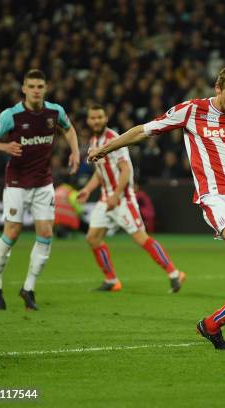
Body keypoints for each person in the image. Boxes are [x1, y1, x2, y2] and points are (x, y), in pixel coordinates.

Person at [88, 66, 225, 351]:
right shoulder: (191, 111)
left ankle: (211, 325)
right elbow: (144, 131)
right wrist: (107, 147)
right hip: (215, 197)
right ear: (217, 89)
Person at [0, 69, 80, 311]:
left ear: (45, 88)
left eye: (40, 86)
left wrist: (75, 151)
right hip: (16, 182)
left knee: (46, 234)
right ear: (24, 89)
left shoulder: (55, 112)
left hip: (43, 183)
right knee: (13, 232)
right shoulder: (11, 115)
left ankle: (28, 288)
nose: (36, 90)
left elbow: (68, 129)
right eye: (32, 86)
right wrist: (5, 147)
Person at [77, 104, 185, 293]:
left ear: (106, 118)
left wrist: (117, 195)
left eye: (99, 117)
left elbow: (126, 169)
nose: (96, 121)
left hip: (122, 199)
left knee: (141, 238)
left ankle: (174, 273)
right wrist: (87, 189)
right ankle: (111, 280)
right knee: (93, 238)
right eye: (93, 118)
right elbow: (100, 172)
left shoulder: (113, 139)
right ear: (88, 120)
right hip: (106, 199)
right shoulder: (95, 140)